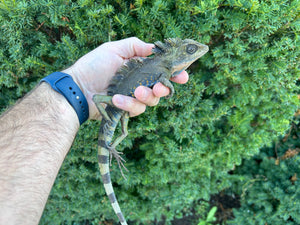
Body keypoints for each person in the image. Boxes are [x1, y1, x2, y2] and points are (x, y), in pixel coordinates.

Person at [0, 37, 189, 225]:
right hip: (113, 102)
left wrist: (78, 87)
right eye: (189, 50)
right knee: (114, 114)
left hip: (118, 106)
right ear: (178, 54)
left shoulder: (163, 66)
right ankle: (111, 148)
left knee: (124, 132)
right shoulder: (162, 68)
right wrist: (170, 89)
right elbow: (167, 84)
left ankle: (111, 147)